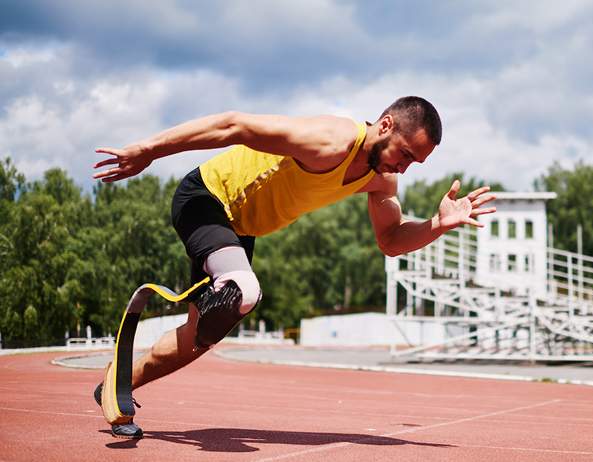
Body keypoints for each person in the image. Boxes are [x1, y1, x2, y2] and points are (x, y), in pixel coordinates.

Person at [91, 96, 496, 438]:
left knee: (202, 337)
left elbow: (390, 241)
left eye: (415, 163)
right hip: (206, 198)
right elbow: (233, 124)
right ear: (386, 125)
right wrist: (148, 150)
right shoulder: (329, 139)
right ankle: (224, 288)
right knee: (244, 292)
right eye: (404, 154)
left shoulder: (380, 179)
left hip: (239, 229)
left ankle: (117, 381)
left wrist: (436, 226)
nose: (403, 168)